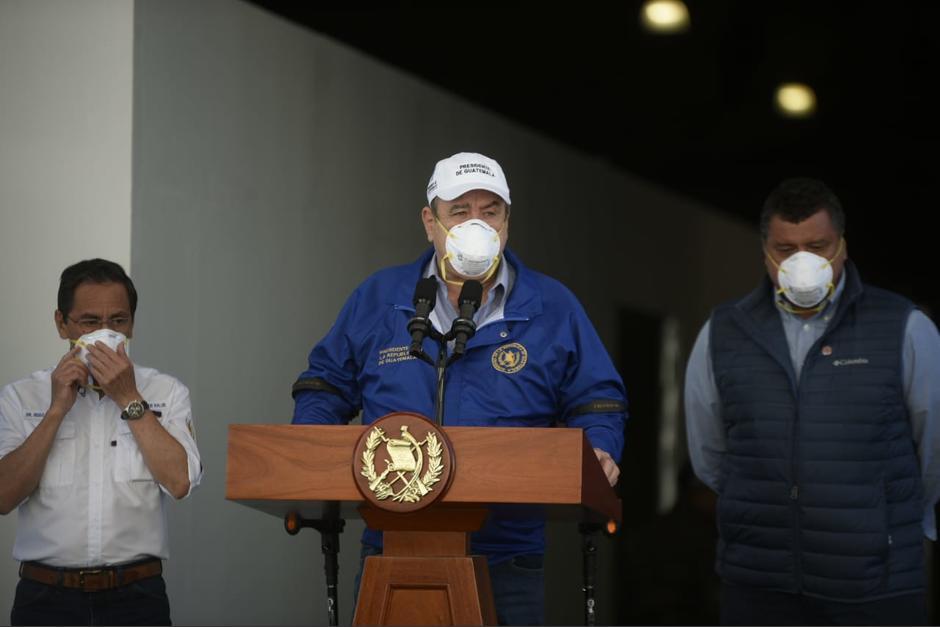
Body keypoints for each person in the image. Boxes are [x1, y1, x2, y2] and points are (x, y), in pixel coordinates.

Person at [292, 151, 627, 625]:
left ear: (508, 221)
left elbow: (597, 399)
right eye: (460, 212)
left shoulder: (553, 305)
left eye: (490, 212)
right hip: (392, 545)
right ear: (431, 223)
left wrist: (600, 447)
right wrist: (309, 451)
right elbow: (325, 385)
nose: (478, 225)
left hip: (510, 555)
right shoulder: (380, 297)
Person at [685, 178, 940, 625]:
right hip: (760, 586)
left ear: (842, 245)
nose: (802, 262)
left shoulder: (904, 327)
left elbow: (934, 450)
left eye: (818, 246)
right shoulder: (723, 333)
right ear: (765, 250)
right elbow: (709, 456)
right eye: (786, 249)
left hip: (874, 586)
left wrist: (886, 530)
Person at [0, 259, 203, 626]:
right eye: (90, 322)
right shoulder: (21, 396)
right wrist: (56, 410)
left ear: (132, 325)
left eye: (118, 321)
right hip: (45, 598)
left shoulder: (165, 391)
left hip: (137, 598)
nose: (106, 333)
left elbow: (180, 482)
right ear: (62, 324)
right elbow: (3, 496)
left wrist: (129, 399)